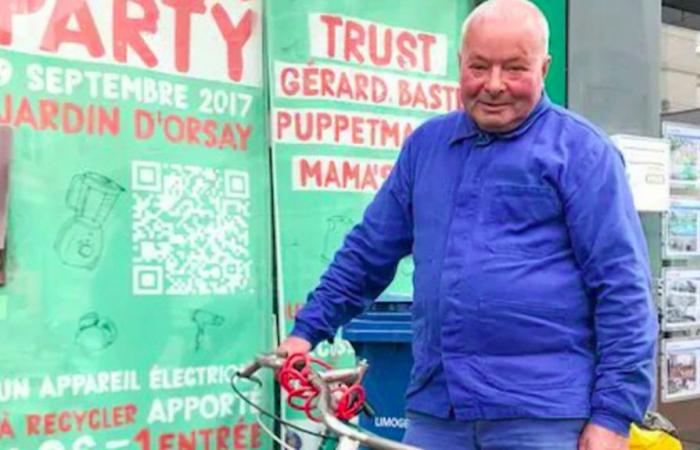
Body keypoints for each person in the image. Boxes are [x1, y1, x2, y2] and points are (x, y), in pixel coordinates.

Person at [278, 0, 658, 449]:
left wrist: (614, 415)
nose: (494, 85)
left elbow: (623, 288)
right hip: (439, 408)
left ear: (544, 67)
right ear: (460, 64)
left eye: (514, 68)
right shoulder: (427, 148)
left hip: (542, 414)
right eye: (479, 67)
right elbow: (368, 252)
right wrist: (307, 331)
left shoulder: (582, 152)